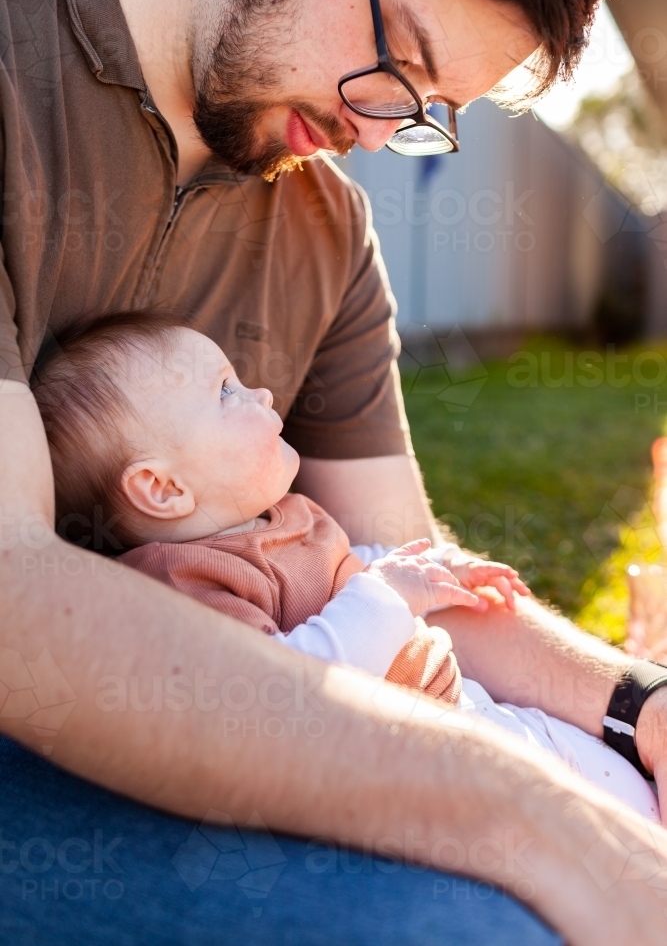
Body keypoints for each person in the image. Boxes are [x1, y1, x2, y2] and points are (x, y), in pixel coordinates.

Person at [2, 0, 667, 943]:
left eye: (428, 105)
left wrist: (636, 705)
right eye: (398, 51)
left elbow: (412, 570)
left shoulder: (323, 226)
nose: (373, 128)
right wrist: (531, 815)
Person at [30, 311, 662, 821]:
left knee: (624, 782)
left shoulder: (289, 516)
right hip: (420, 771)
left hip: (472, 713)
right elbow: (282, 692)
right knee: (606, 826)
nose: (263, 391)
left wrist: (429, 568)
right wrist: (390, 596)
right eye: (226, 392)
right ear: (164, 490)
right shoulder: (187, 583)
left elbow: (352, 567)